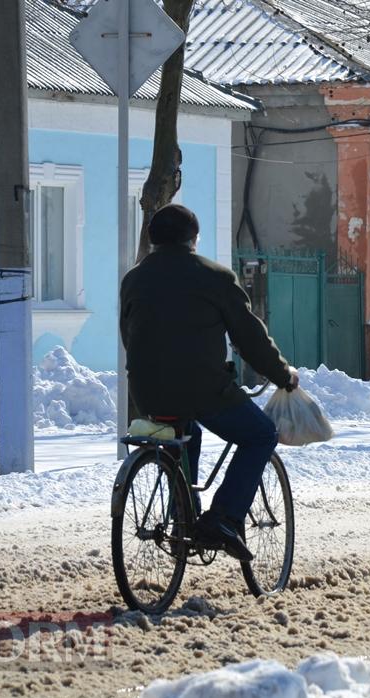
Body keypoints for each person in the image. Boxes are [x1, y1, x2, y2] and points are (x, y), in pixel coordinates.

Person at [119, 204, 297, 561]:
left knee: (187, 434)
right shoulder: (215, 277)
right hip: (202, 389)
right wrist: (282, 374)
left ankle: (183, 515)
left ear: (152, 239)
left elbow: (129, 335)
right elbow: (250, 339)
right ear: (193, 240)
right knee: (260, 434)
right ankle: (222, 518)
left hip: (147, 391)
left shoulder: (134, 278)